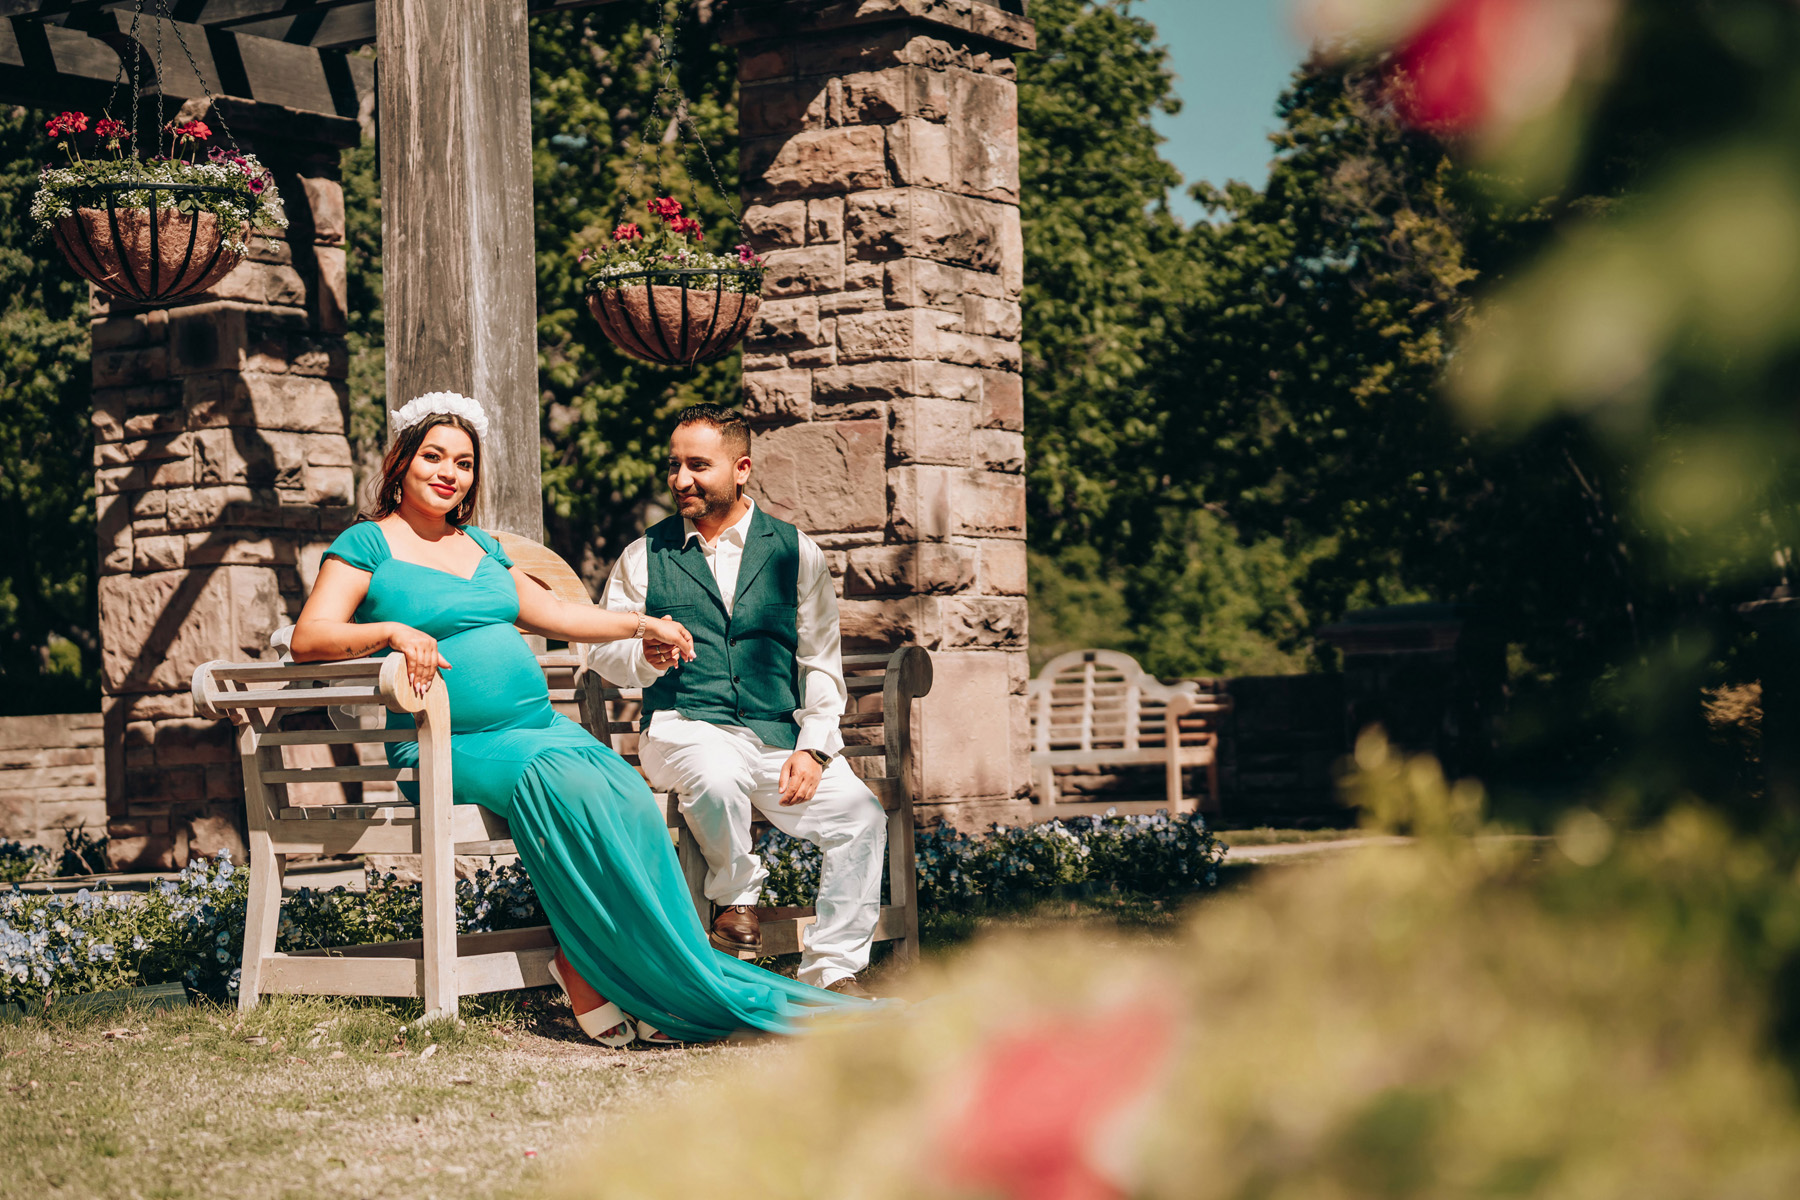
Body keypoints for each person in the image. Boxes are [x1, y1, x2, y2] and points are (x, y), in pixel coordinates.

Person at [290, 390, 863, 1045]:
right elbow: (311, 637)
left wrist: (641, 620)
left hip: (538, 730)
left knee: (626, 792)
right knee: (563, 779)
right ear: (402, 463)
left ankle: (639, 974)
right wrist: (393, 630)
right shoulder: (367, 543)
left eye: (464, 463)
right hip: (448, 743)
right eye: (433, 457)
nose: (449, 472)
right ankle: (593, 970)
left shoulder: (477, 547)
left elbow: (561, 616)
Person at [588, 404, 887, 997]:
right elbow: (600, 650)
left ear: (741, 468)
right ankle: (736, 896)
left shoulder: (794, 551)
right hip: (683, 727)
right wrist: (644, 658)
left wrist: (815, 749)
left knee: (860, 817)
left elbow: (820, 661)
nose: (680, 480)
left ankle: (833, 969)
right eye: (674, 465)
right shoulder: (644, 555)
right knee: (717, 773)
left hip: (777, 736)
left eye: (698, 465)